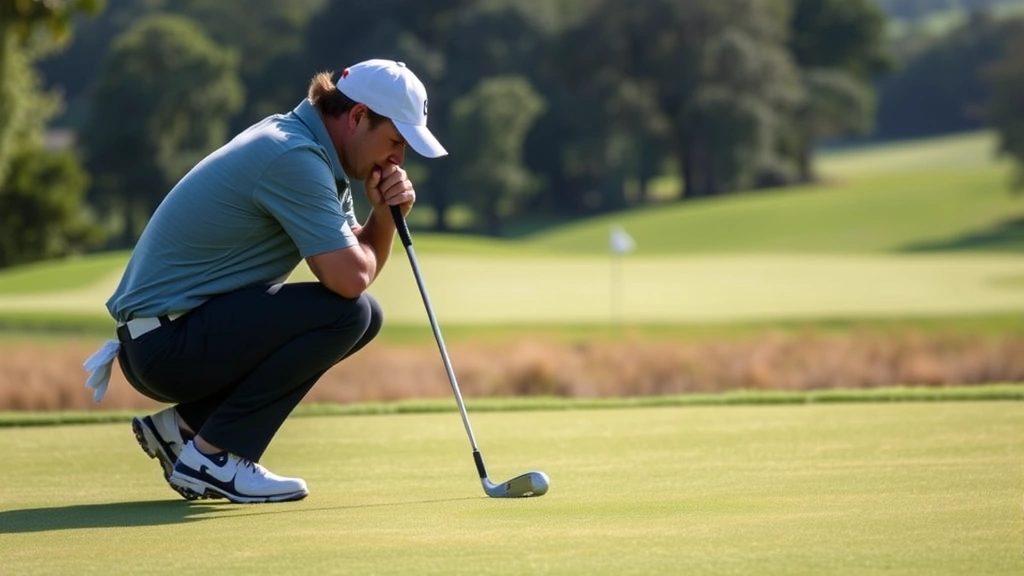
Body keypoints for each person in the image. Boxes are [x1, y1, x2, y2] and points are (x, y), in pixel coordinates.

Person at [83, 59, 447, 504]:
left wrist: (384, 215)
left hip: (165, 338)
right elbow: (351, 278)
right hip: (166, 346)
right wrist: (385, 219)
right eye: (395, 141)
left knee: (363, 315)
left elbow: (356, 254)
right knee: (350, 314)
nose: (398, 159)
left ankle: (185, 429)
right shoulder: (294, 157)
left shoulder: (311, 149)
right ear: (357, 116)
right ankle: (214, 455)